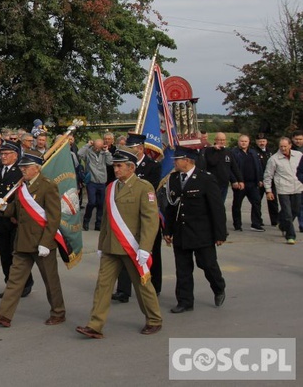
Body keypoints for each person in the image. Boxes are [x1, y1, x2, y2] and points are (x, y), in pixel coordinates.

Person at [76, 147, 162, 339]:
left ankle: (154, 319)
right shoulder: (111, 187)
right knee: (103, 286)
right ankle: (95, 325)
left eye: (120, 166)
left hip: (132, 247)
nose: (116, 169)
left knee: (142, 285)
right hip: (111, 247)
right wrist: (101, 245)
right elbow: (106, 219)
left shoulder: (143, 187)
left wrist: (145, 248)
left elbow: (150, 220)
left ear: (131, 167)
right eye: (114, 166)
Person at [0, 150, 66, 328]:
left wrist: (46, 242)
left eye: (26, 167)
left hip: (41, 243)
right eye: (21, 166)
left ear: (36, 168)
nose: (22, 169)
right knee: (14, 280)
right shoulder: (22, 186)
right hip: (22, 242)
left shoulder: (47, 186)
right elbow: (17, 210)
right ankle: (4, 315)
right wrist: (4, 207)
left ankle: (58, 312)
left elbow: (53, 217)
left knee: (50, 281)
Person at [164, 146, 227, 313]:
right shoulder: (174, 179)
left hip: (201, 232)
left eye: (177, 159)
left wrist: (220, 234)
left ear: (187, 160)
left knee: (207, 264)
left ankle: (218, 286)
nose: (174, 162)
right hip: (181, 232)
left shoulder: (205, 179)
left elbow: (217, 208)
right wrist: (167, 231)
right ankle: (185, 301)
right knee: (182, 269)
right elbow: (170, 208)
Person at [112, 133, 162, 302]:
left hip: (145, 215)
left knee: (150, 252)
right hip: (127, 217)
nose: (126, 150)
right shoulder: (123, 165)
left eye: (130, 148)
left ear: (140, 149)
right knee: (125, 252)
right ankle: (123, 290)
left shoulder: (153, 166)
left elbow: (151, 190)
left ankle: (153, 285)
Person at [0, 140, 33, 298]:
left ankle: (23, 284)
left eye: (7, 154)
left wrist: (16, 216)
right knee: (4, 254)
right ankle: (9, 282)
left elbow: (26, 199)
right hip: (0, 220)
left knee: (17, 255)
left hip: (16, 221)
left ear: (15, 156)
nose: (3, 156)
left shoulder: (21, 173)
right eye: (2, 154)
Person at [265, 137, 303, 244]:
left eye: (285, 146)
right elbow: (268, 176)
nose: (283, 148)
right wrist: (268, 191)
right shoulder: (274, 159)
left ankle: (282, 225)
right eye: (281, 146)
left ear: (290, 145)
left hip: (298, 187)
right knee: (287, 213)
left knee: (295, 210)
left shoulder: (299, 156)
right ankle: (290, 235)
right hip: (283, 189)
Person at [230, 134, 264, 232]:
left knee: (257, 202)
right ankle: (237, 224)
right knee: (237, 204)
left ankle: (256, 224)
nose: (244, 143)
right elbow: (230, 169)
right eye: (242, 141)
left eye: (246, 141)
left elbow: (259, 167)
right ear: (238, 142)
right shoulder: (233, 153)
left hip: (253, 183)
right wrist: (234, 181)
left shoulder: (253, 153)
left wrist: (260, 179)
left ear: (249, 142)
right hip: (240, 184)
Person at [78, 139, 113, 230]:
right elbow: (79, 153)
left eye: (99, 147)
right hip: (92, 182)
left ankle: (98, 223)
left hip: (102, 182)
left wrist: (106, 151)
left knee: (101, 204)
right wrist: (87, 145)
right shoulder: (88, 153)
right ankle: (86, 220)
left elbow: (110, 162)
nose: (97, 149)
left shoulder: (104, 153)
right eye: (96, 147)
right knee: (92, 202)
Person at [254, 133, 278, 227]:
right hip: (259, 181)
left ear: (266, 141)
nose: (262, 143)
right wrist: (259, 179)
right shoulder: (253, 152)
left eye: (263, 141)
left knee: (273, 202)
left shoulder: (271, 152)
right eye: (260, 141)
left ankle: (275, 220)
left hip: (270, 181)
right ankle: (258, 220)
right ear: (256, 142)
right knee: (257, 202)